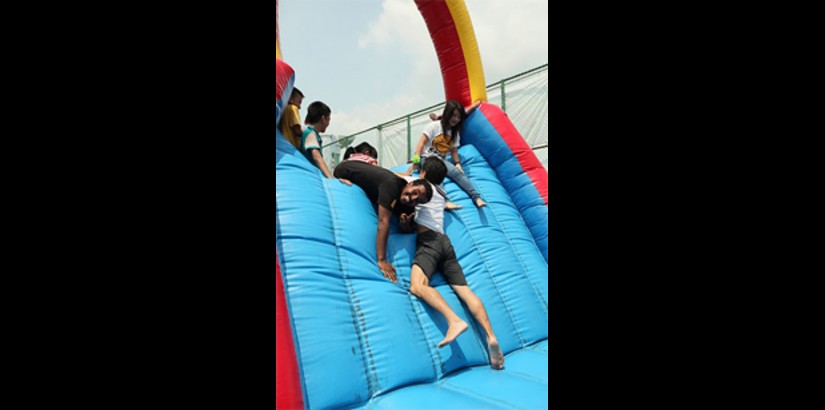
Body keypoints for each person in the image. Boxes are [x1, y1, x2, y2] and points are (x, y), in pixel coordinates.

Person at [405, 157, 504, 370]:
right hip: (445, 244)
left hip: (429, 242)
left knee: (417, 286)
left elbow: (397, 179)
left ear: (423, 174)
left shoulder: (419, 185)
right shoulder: (441, 194)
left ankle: (454, 320)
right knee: (466, 291)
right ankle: (491, 336)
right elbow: (443, 205)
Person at [333, 160, 433, 281]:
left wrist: (404, 226)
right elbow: (383, 221)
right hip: (345, 170)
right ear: (409, 184)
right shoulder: (392, 186)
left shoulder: (409, 205)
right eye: (415, 193)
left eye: (418, 200)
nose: (413, 198)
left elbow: (407, 230)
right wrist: (382, 260)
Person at [410, 100, 487, 207]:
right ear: (447, 114)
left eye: (458, 117)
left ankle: (476, 197)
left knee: (457, 173)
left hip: (440, 160)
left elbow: (454, 150)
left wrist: (458, 164)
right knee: (435, 172)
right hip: (426, 157)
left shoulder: (454, 133)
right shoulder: (434, 126)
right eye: (453, 115)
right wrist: (416, 161)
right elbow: (421, 143)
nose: (455, 119)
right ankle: (444, 201)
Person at [301, 101, 349, 185]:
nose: (328, 124)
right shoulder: (310, 133)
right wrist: (331, 179)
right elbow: (317, 157)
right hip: (311, 176)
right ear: (323, 119)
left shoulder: (309, 132)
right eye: (329, 119)